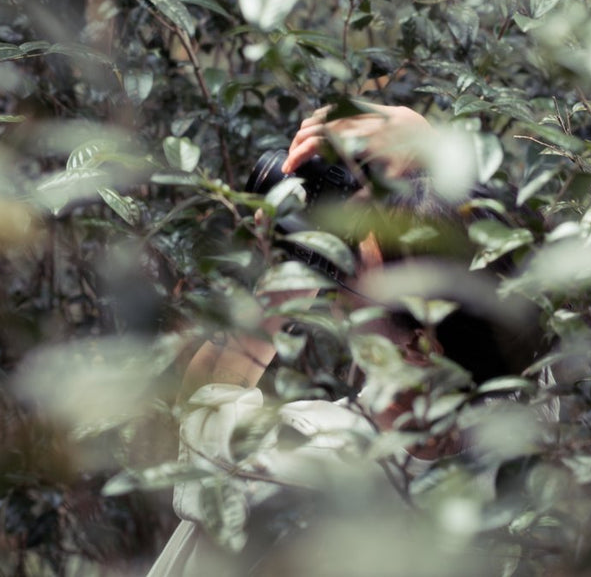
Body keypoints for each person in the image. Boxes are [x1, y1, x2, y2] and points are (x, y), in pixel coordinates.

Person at [146, 103, 546, 577]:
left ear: (419, 348)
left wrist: (285, 280)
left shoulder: (312, 464)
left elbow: (206, 399)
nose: (336, 273)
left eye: (350, 263)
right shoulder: (523, 446)